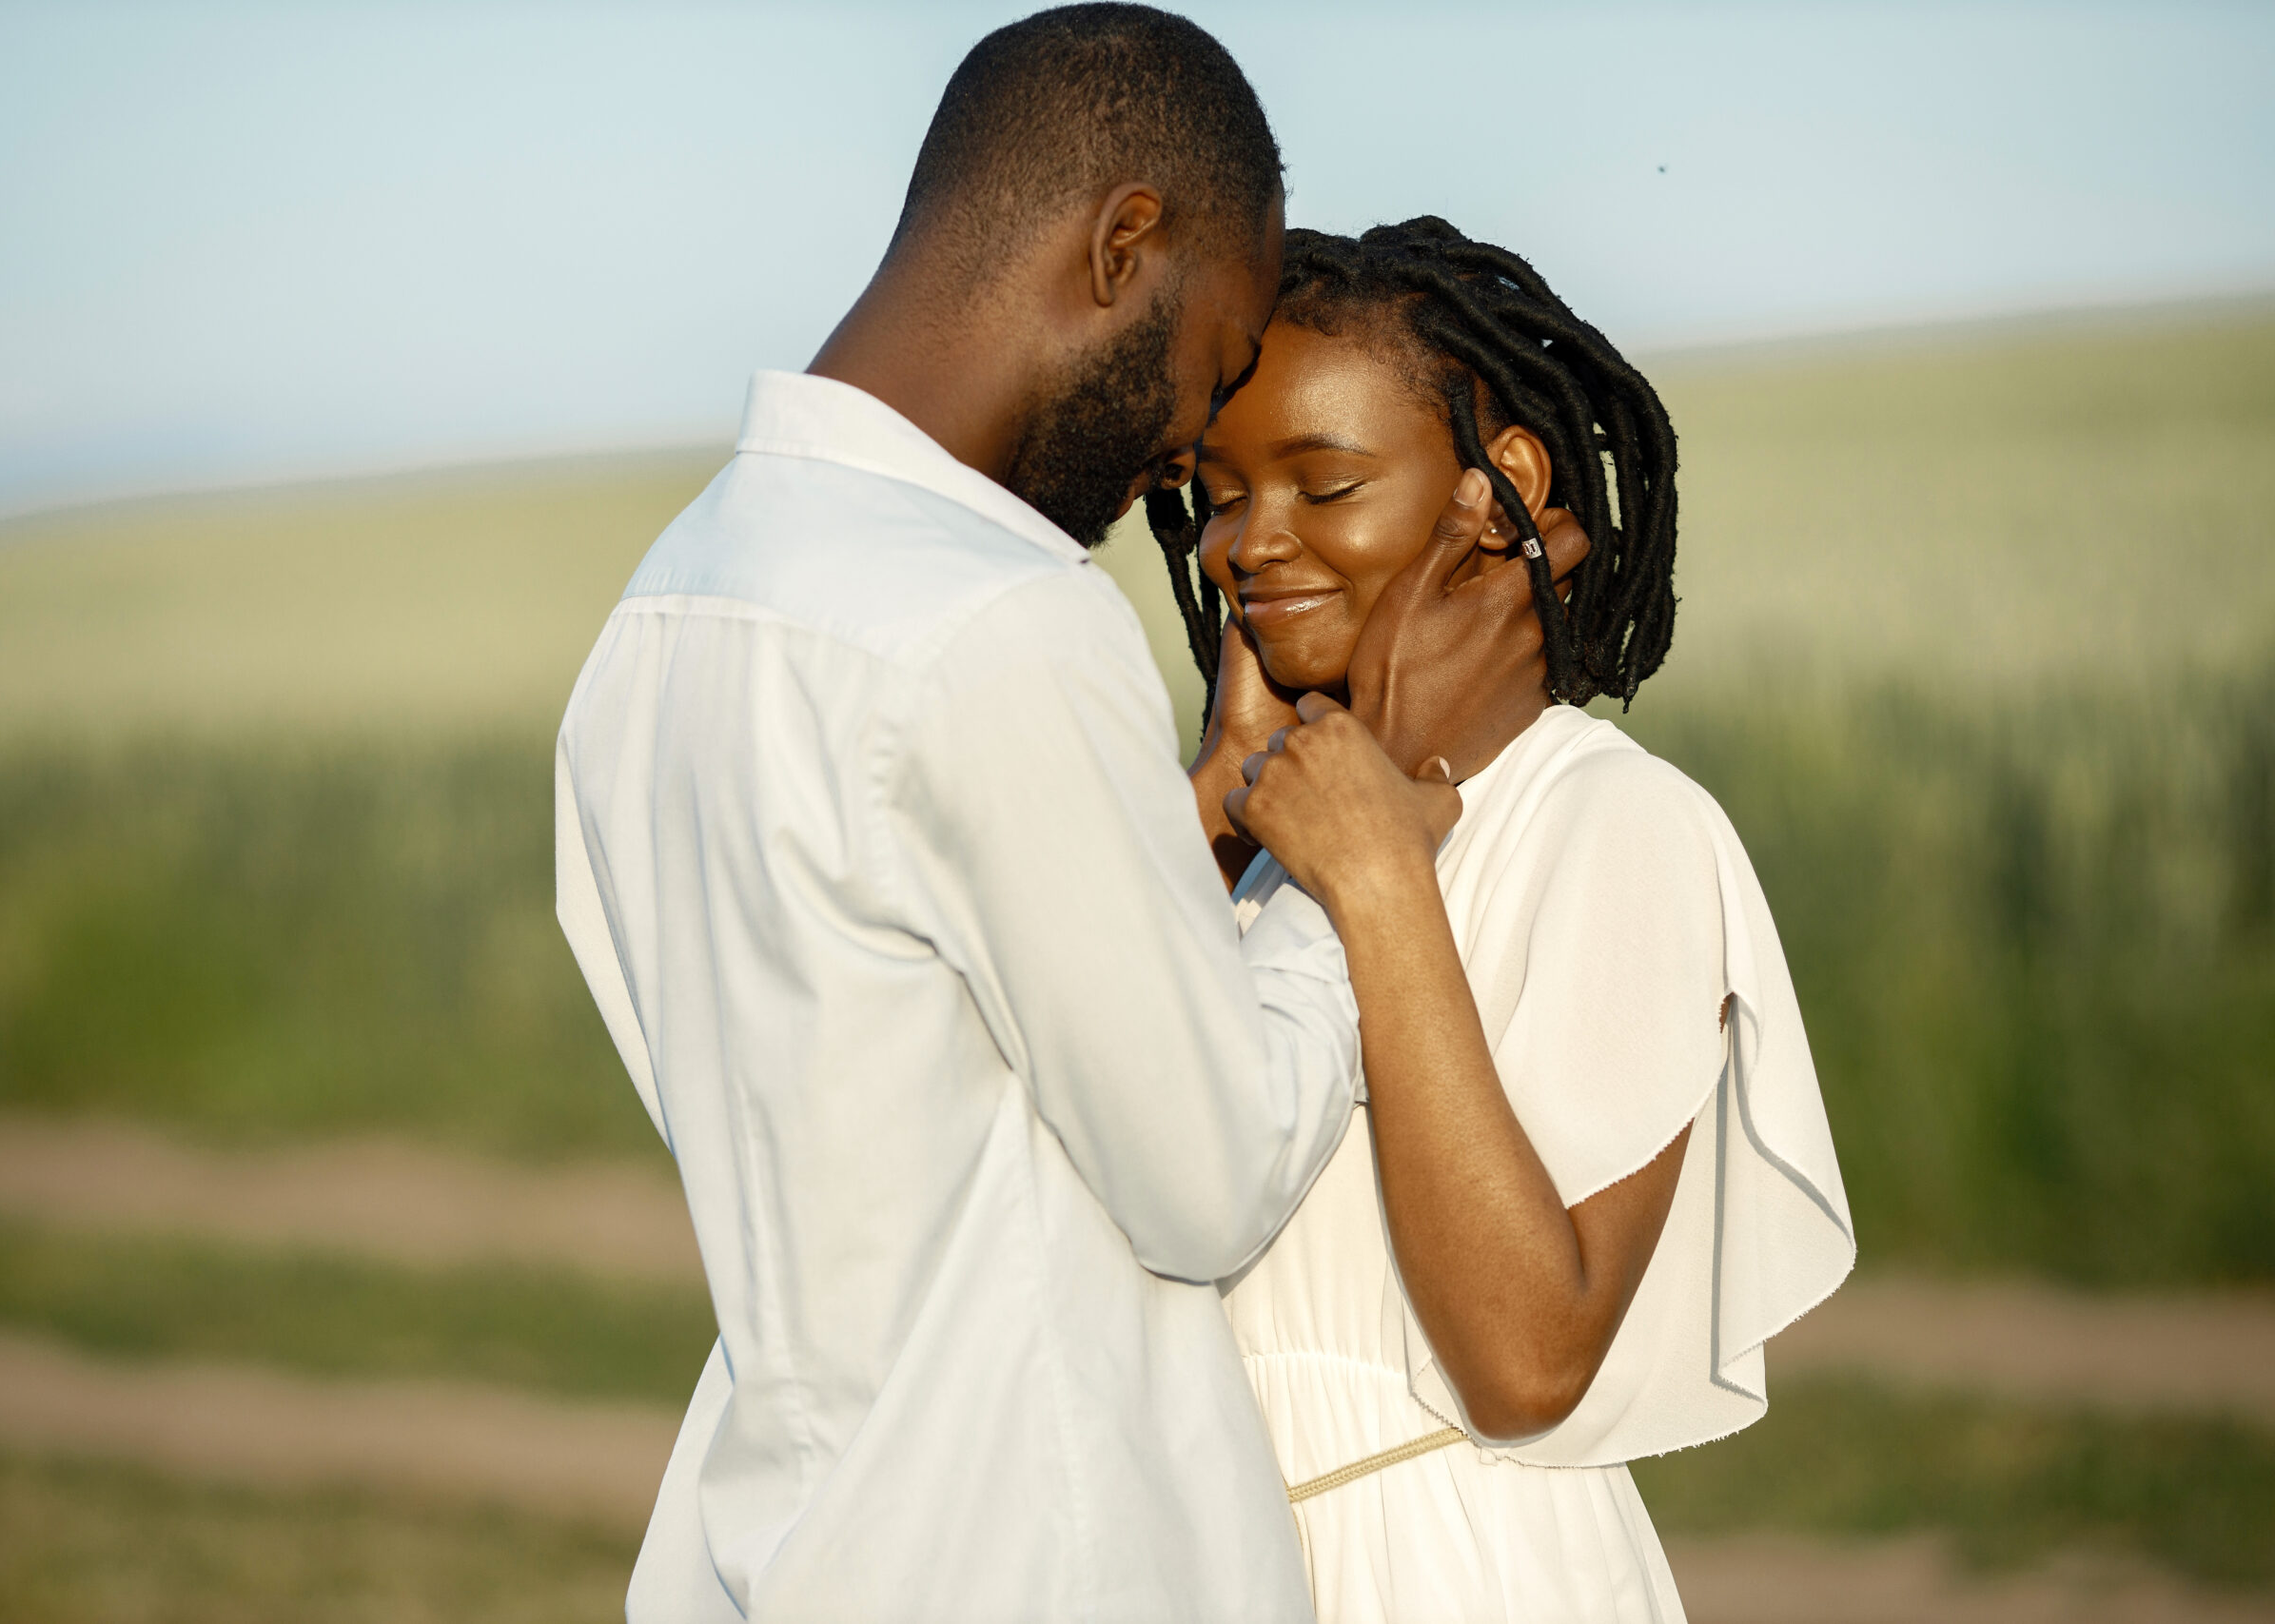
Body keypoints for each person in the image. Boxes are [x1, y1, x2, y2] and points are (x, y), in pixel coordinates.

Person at [554, 14, 1578, 1622]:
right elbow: (1211, 1178)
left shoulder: (666, 611)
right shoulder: (1001, 614)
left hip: (785, 1554)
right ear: (1122, 248)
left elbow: (909, 1064)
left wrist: (1194, 827)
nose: (1187, 453)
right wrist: (1354, 844)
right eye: (1215, 362)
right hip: (1034, 1562)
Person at [1144, 219, 1857, 1621]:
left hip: (1451, 1571)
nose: (1249, 543)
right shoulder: (1258, 846)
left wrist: (1382, 885)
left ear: (1500, 490)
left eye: (1324, 484)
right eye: (1219, 497)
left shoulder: (1613, 823)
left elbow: (1529, 1360)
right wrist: (1213, 812)